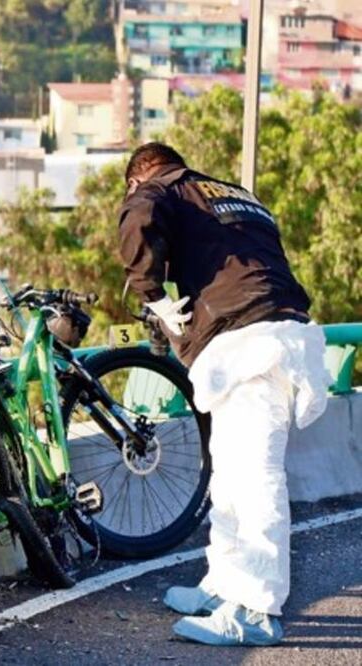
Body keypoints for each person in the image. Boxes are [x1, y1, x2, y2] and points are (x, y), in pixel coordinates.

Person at [118, 142, 331, 646]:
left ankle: (255, 608)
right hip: (276, 330)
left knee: (254, 481)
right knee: (231, 475)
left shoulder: (160, 187)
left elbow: (138, 217)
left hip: (249, 340)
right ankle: (223, 586)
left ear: (137, 176)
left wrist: (152, 296)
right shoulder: (233, 193)